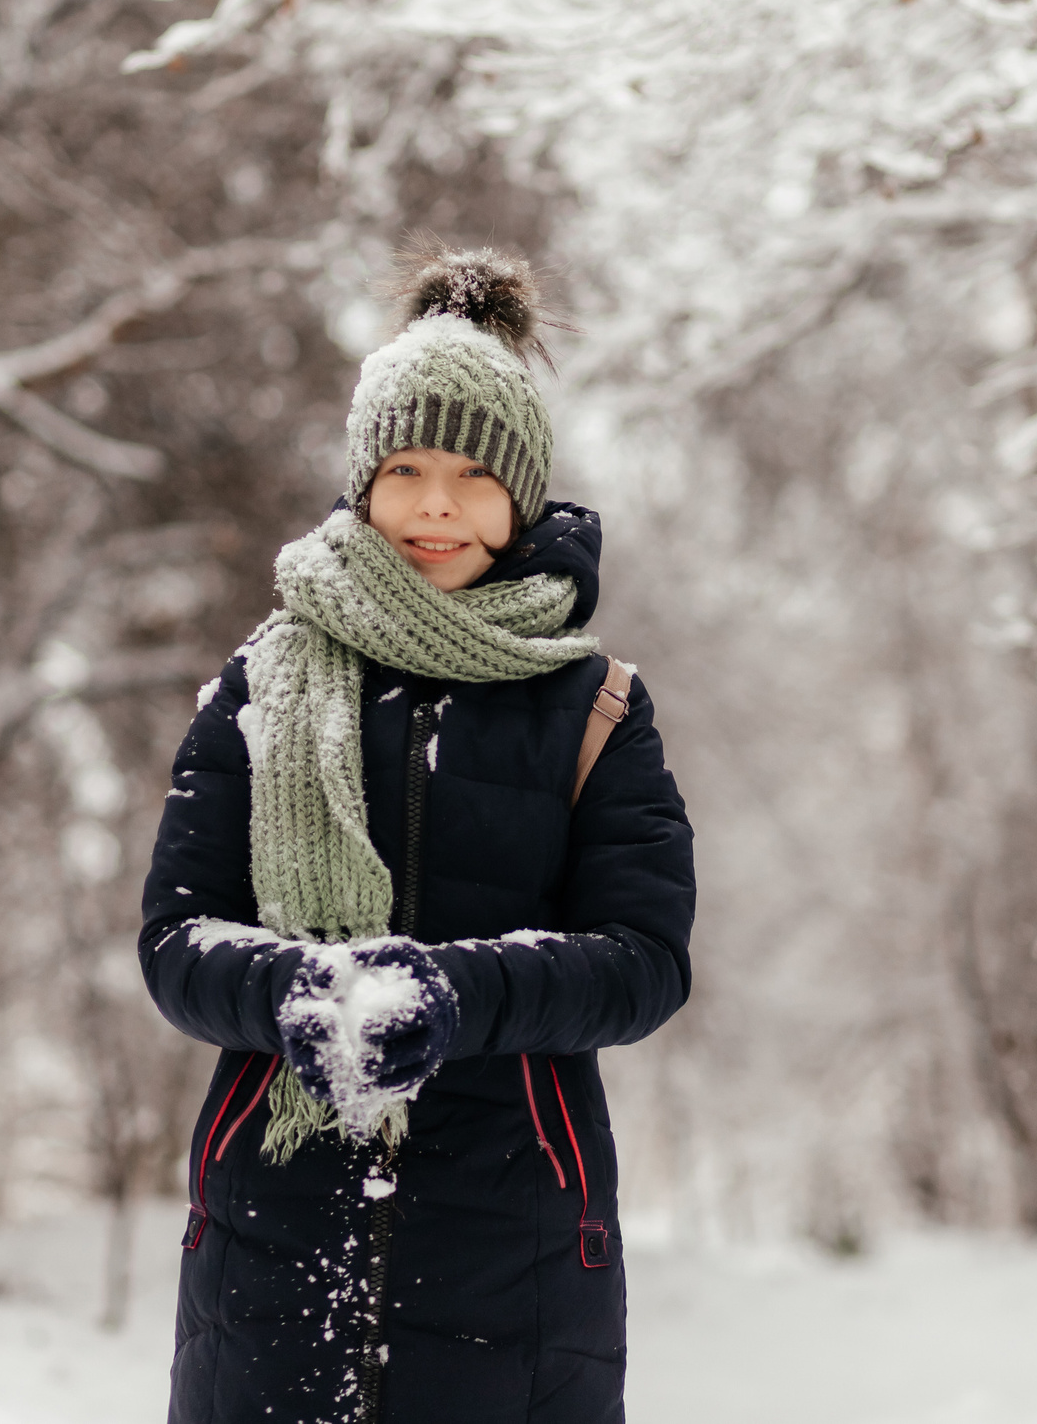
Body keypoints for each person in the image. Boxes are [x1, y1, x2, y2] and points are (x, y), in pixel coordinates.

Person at [137, 246, 697, 1424]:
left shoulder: (594, 706)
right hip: (273, 1233)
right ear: (363, 480)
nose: (433, 504)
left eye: (468, 474)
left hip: (517, 1246)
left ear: (521, 492)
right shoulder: (262, 684)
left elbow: (642, 962)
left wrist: (453, 995)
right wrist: (298, 989)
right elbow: (176, 939)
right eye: (403, 469)